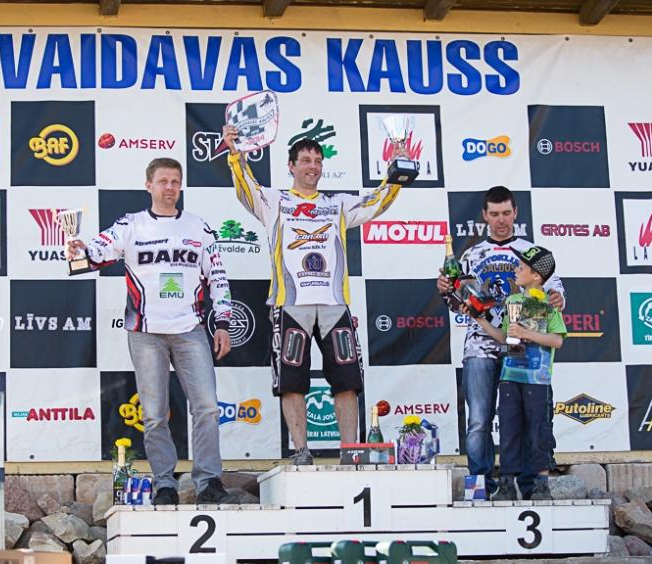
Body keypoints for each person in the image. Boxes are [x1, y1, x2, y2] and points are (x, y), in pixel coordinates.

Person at [222, 123, 406, 465]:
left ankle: (350, 452)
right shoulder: (275, 202)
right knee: (291, 382)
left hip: (334, 305)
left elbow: (376, 203)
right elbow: (245, 186)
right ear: (291, 166)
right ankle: (302, 452)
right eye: (306, 160)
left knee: (347, 381)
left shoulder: (337, 204)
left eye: (318, 161)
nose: (313, 166)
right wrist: (236, 154)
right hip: (291, 304)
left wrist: (397, 172)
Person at [67, 157, 235, 505]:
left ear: (181, 185)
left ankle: (208, 481)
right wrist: (77, 249)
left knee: (207, 407)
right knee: (154, 414)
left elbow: (218, 278)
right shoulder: (131, 224)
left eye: (175, 181)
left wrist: (222, 323)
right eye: (163, 181)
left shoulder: (198, 227)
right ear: (149, 186)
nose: (170, 187)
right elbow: (94, 253)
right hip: (146, 331)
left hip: (190, 328)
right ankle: (164, 484)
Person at [437, 186, 564, 500]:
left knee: (526, 419)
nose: (501, 220)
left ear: (515, 212)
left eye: (506, 213)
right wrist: (446, 291)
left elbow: (555, 293)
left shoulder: (531, 252)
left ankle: (528, 486)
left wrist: (557, 297)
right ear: (484, 216)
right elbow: (459, 302)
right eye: (494, 214)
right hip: (480, 344)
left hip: (521, 351)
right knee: (479, 420)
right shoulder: (471, 254)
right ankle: (481, 488)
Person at [472, 245, 566, 500]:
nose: (516, 270)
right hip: (510, 376)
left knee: (539, 430)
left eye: (521, 267)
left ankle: (541, 484)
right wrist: (480, 320)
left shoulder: (549, 303)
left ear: (536, 276)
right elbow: (506, 337)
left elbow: (557, 340)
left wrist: (527, 333)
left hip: (537, 379)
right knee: (509, 430)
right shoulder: (512, 301)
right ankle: (506, 483)